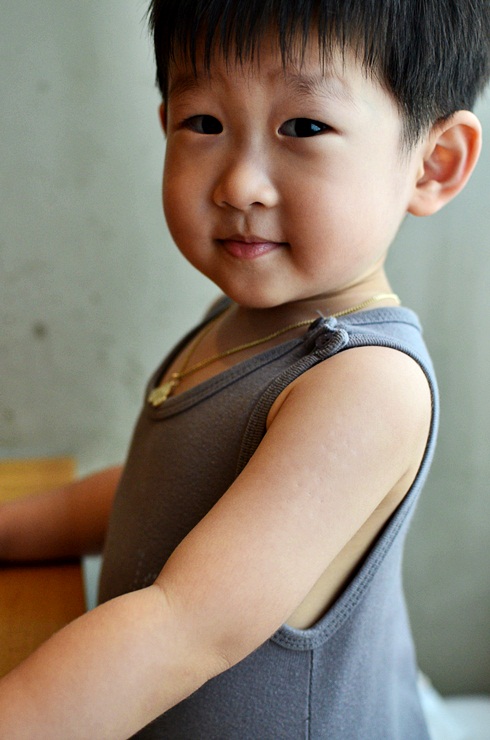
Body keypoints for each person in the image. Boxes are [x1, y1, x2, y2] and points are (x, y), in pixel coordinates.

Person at [0, 0, 489, 736]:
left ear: (433, 162)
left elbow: (185, 627)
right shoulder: (241, 320)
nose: (239, 185)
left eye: (304, 127)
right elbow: (158, 488)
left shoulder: (366, 385)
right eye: (204, 123)